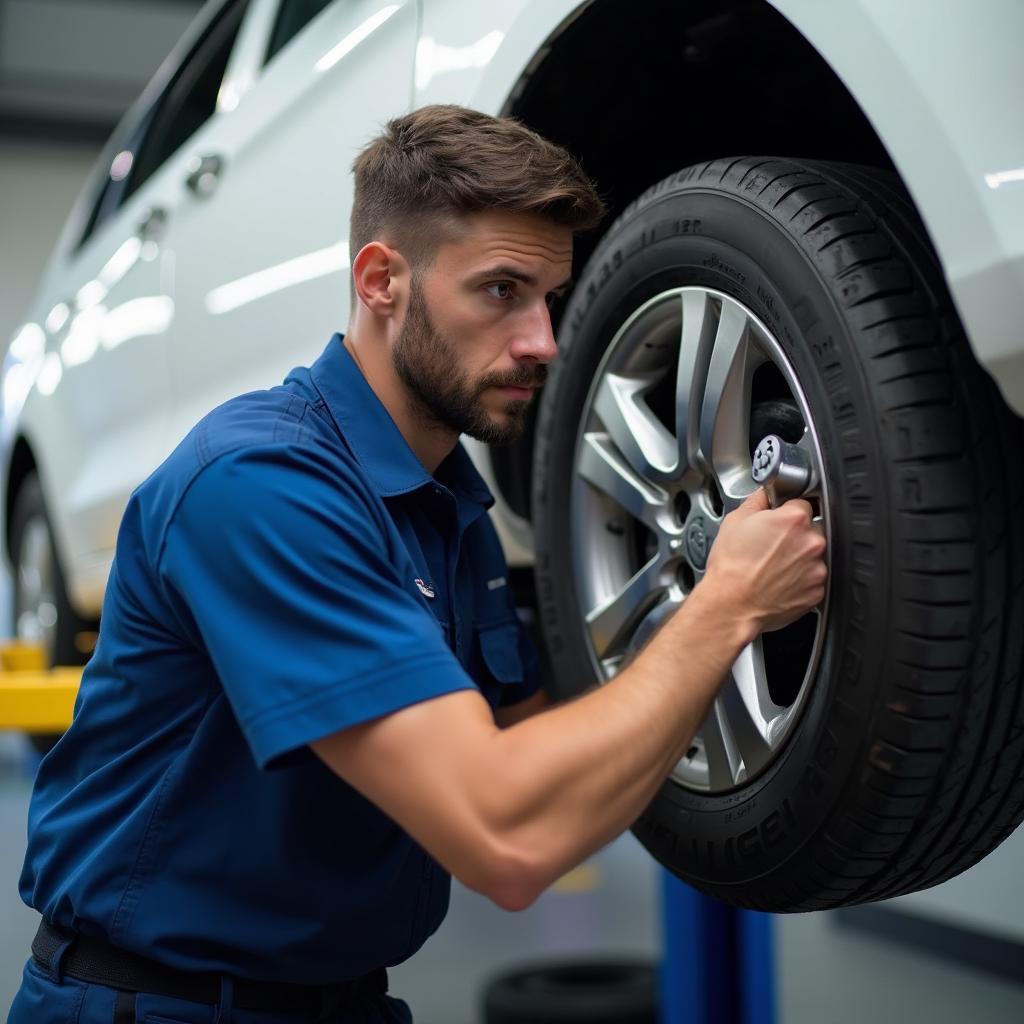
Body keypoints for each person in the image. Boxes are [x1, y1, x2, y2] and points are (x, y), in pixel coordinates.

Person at [9, 105, 826, 1023]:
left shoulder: (448, 501)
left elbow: (537, 765)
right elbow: (506, 839)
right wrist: (723, 609)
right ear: (381, 280)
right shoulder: (261, 486)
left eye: (550, 298)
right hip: (153, 1006)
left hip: (345, 1001)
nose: (545, 343)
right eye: (501, 290)